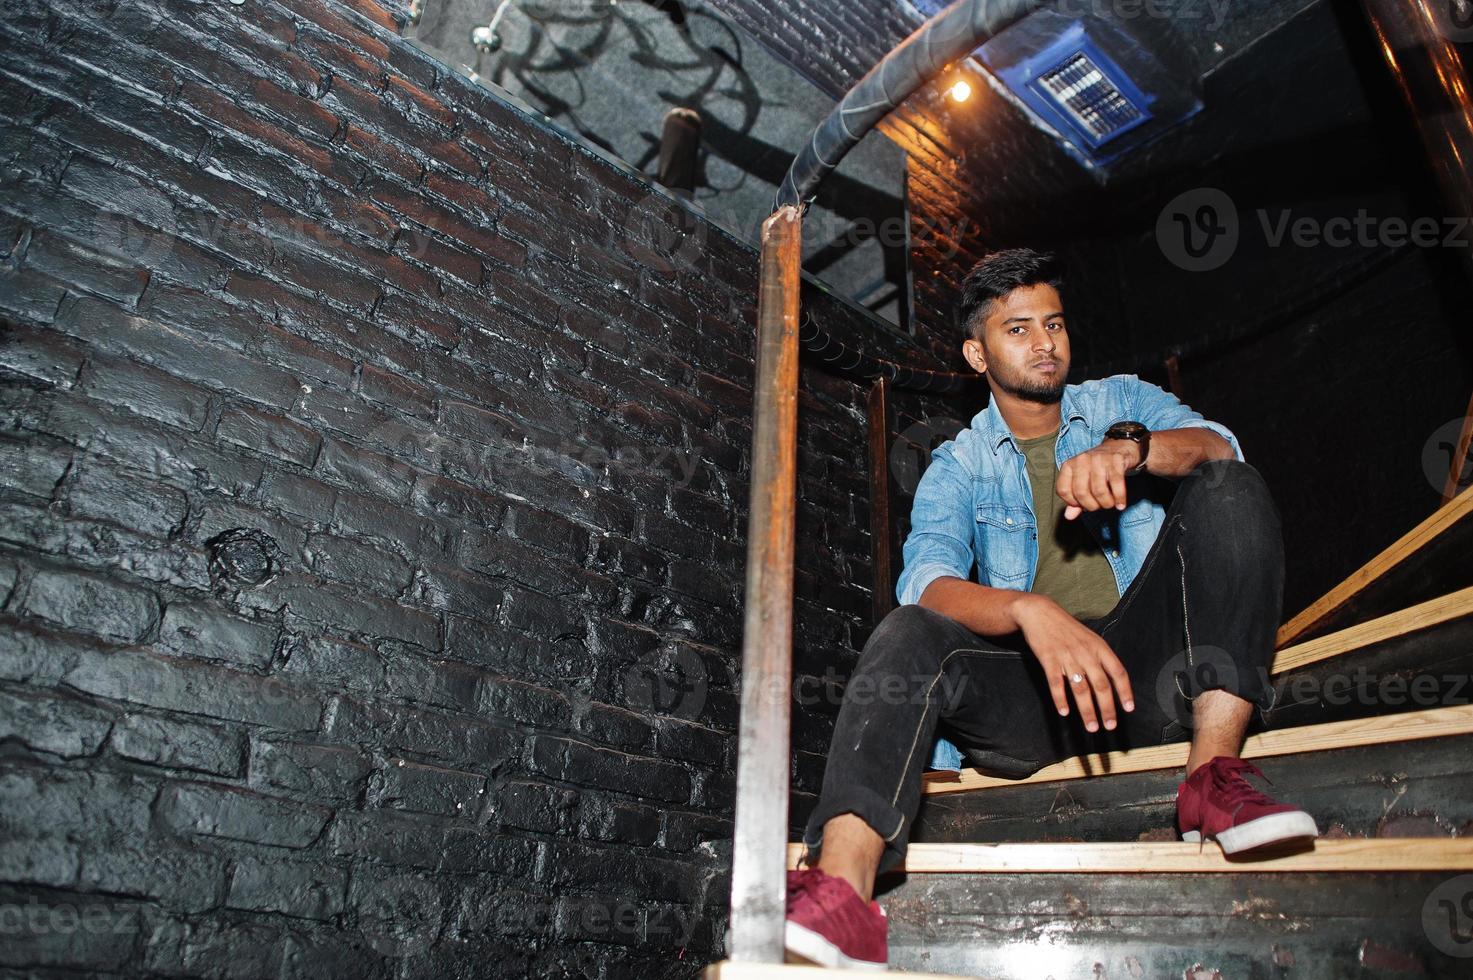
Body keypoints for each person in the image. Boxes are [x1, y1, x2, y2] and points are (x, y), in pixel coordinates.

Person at [782, 248, 1318, 970]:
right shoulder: (961, 463)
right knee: (908, 629)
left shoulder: (1116, 403)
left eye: (1054, 325)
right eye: (1018, 329)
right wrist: (1028, 610)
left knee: (1228, 483)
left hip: (1149, 671)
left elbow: (1218, 445)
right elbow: (928, 583)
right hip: (1033, 698)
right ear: (977, 352)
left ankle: (1212, 777)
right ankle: (842, 891)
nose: (1044, 343)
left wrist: (1131, 451)